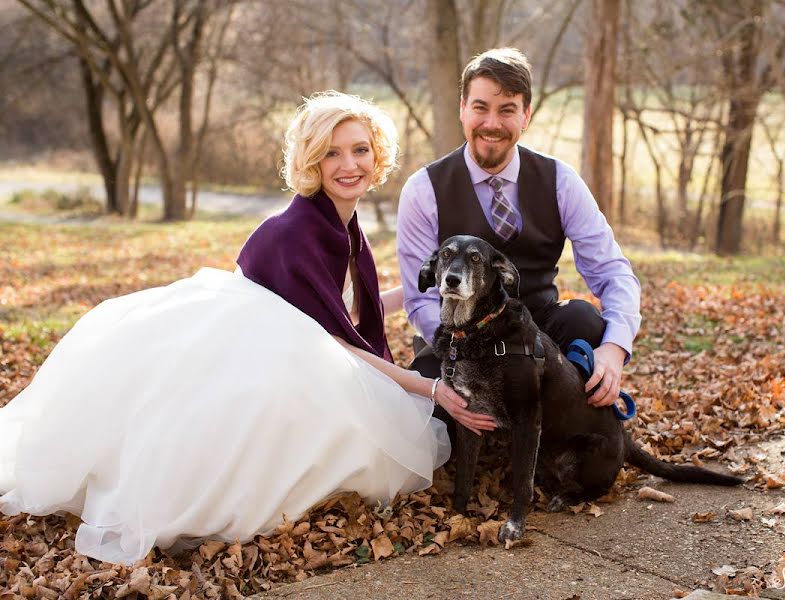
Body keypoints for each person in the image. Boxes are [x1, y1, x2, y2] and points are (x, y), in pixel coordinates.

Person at [0, 92, 489, 566]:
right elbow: (334, 342)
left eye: (361, 149)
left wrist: (416, 291)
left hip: (295, 345)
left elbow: (343, 316)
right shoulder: (294, 232)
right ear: (311, 161)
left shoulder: (343, 225)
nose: (349, 164)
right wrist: (430, 388)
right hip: (258, 349)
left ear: (377, 154)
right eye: (331, 153)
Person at [398, 48, 641, 413]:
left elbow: (612, 270)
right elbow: (420, 300)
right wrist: (467, 357)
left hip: (538, 333)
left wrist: (615, 348)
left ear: (526, 114)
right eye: (480, 107)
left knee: (584, 321)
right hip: (459, 339)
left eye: (507, 109)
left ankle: (556, 429)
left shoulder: (560, 181)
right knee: (426, 398)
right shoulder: (424, 190)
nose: (492, 123)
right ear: (462, 108)